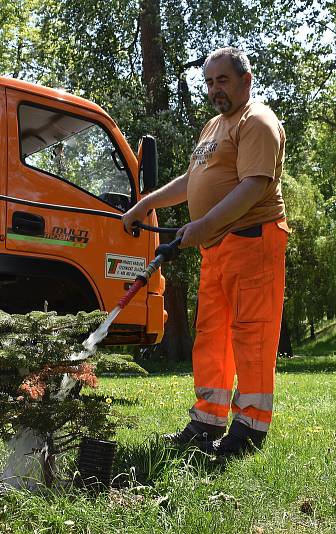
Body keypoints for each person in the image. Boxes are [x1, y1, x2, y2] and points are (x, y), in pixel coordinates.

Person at [123, 47, 289, 459]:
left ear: (246, 80)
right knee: (211, 336)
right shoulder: (214, 126)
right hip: (217, 248)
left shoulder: (258, 122)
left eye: (223, 81)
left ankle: (249, 430)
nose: (215, 89)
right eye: (210, 82)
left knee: (251, 334)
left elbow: (254, 185)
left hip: (253, 240)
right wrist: (147, 202)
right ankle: (207, 421)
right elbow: (192, 178)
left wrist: (201, 227)